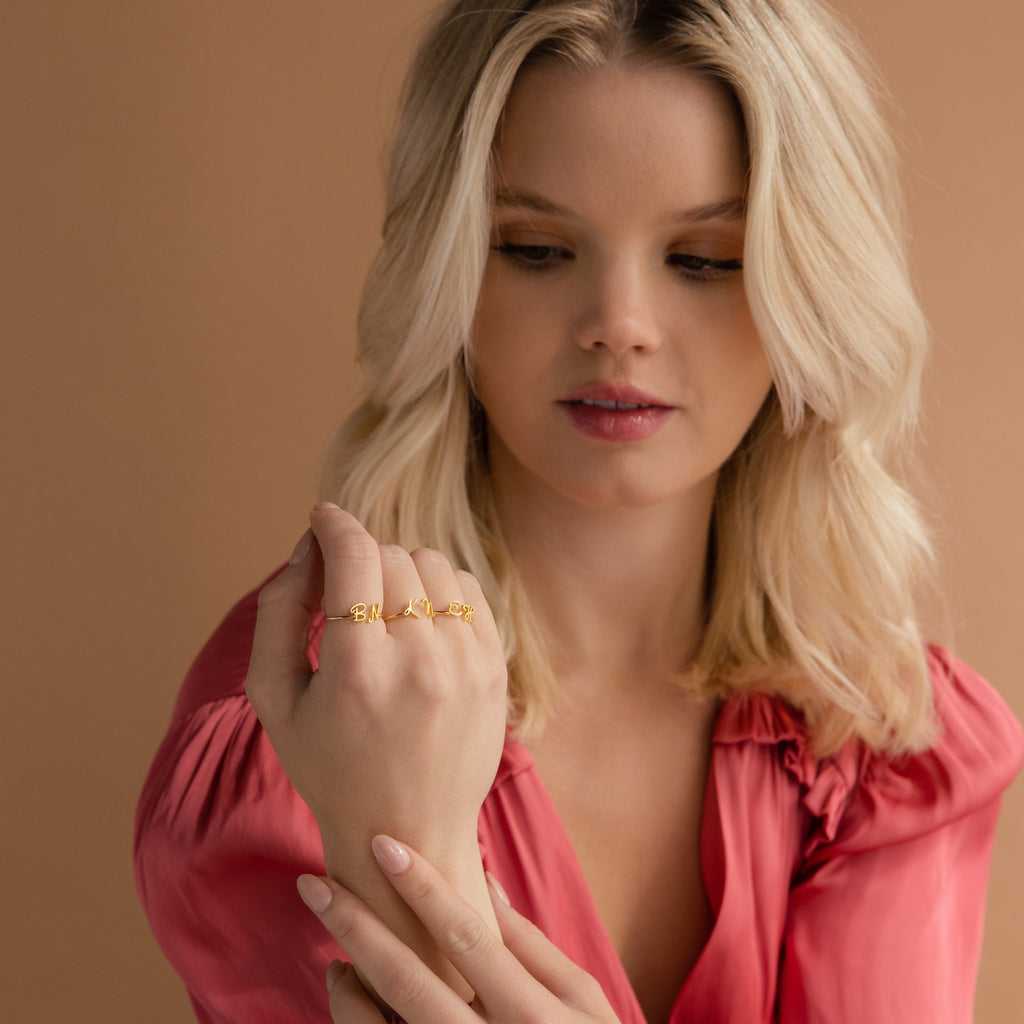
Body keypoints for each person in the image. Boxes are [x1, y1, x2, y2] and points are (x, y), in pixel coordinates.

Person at [135, 0, 1024, 1021]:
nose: (619, 326)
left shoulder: (876, 737)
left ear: (808, 294)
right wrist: (401, 830)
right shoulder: (299, 716)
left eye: (702, 260)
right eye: (535, 249)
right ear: (450, 273)